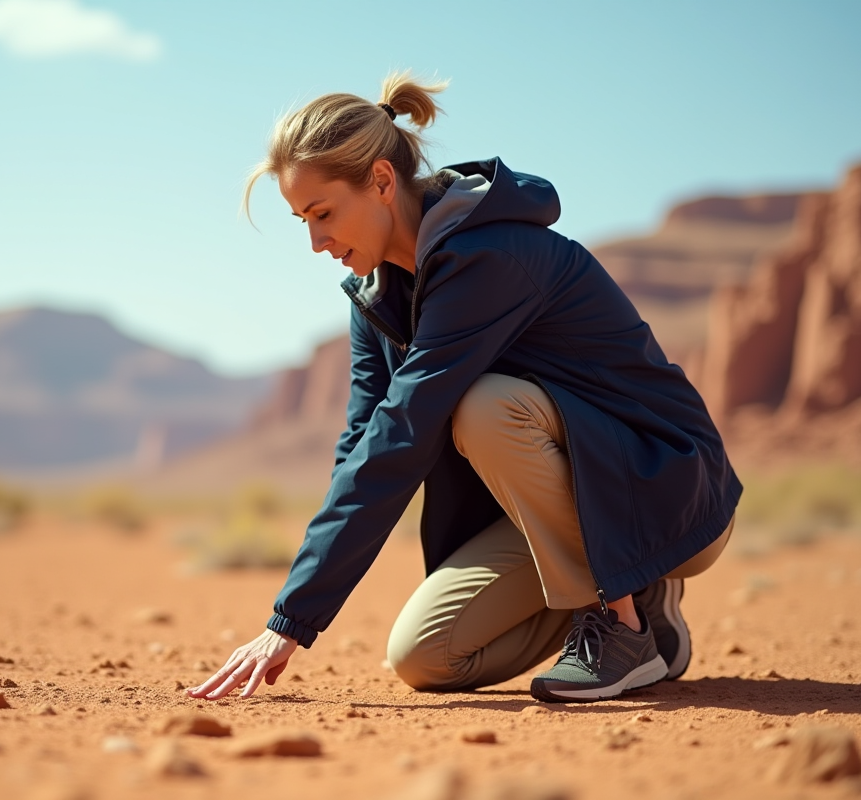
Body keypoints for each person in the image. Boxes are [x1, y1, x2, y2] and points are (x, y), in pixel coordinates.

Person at [188, 72, 740, 704]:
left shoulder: (489, 257)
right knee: (426, 656)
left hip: (665, 489)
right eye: (301, 221)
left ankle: (620, 622)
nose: (315, 242)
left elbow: (403, 432)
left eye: (323, 214)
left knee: (483, 408)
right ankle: (647, 608)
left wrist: (289, 622)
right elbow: (364, 443)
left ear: (382, 181)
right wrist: (297, 610)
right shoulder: (376, 295)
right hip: (567, 507)